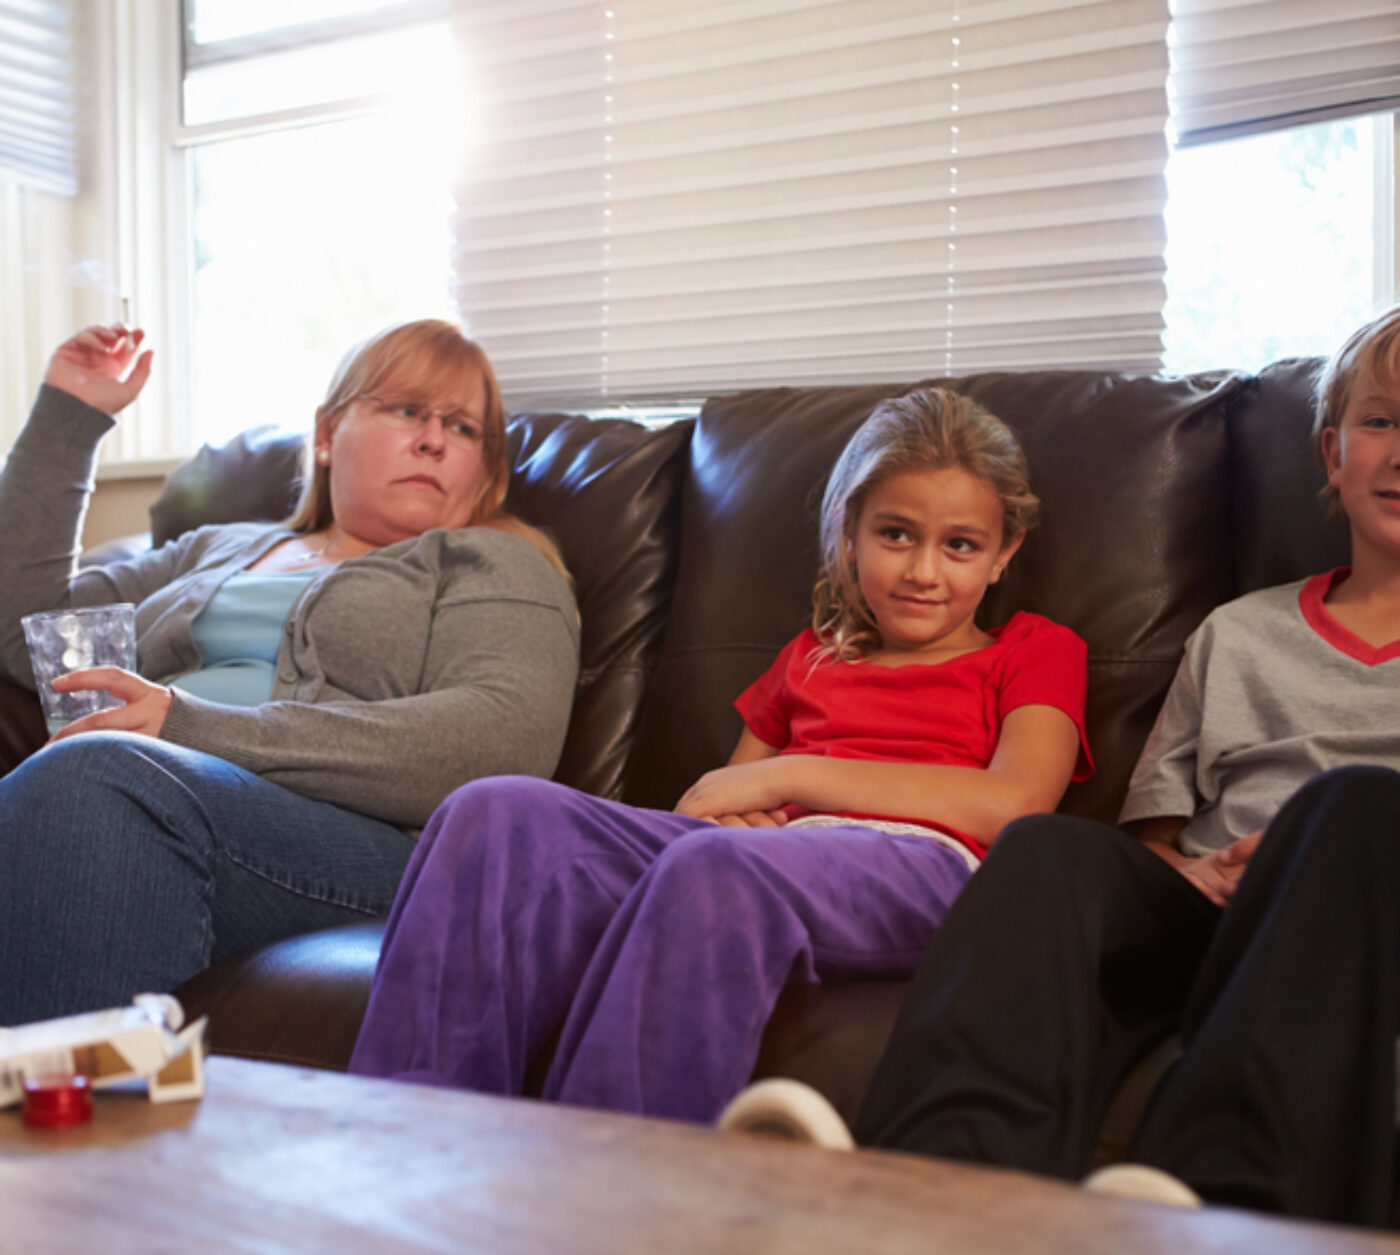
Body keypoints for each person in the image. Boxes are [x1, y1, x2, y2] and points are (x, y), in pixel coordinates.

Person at [747, 305, 1400, 1229]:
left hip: (1361, 920)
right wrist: (1189, 871)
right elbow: (1155, 843)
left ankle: (1228, 1208)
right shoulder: (1237, 633)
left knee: (1352, 808)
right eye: (1382, 421)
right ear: (1334, 452)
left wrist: (1313, 854)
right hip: (1215, 910)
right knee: (1048, 848)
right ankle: (935, 1192)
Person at [347, 387, 1093, 1123]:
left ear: (1003, 553)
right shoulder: (809, 658)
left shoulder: (1036, 648)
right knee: (492, 812)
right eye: (895, 534)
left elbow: (1015, 805)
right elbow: (722, 804)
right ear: (849, 533)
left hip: (928, 863)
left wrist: (793, 774)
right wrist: (744, 809)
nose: (924, 571)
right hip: (774, 855)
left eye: (960, 545)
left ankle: (609, 1188)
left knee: (715, 867)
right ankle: (408, 1141)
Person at [0, 320, 580, 1026]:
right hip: (134, 793)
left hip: (360, 846)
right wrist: (70, 415)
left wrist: (189, 727)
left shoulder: (491, 561)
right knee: (81, 784)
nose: (434, 439)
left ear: (484, 471)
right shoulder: (217, 547)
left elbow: (502, 737)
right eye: (407, 410)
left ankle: (84, 1097)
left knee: (98, 776)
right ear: (328, 434)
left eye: (463, 428)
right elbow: (29, 629)